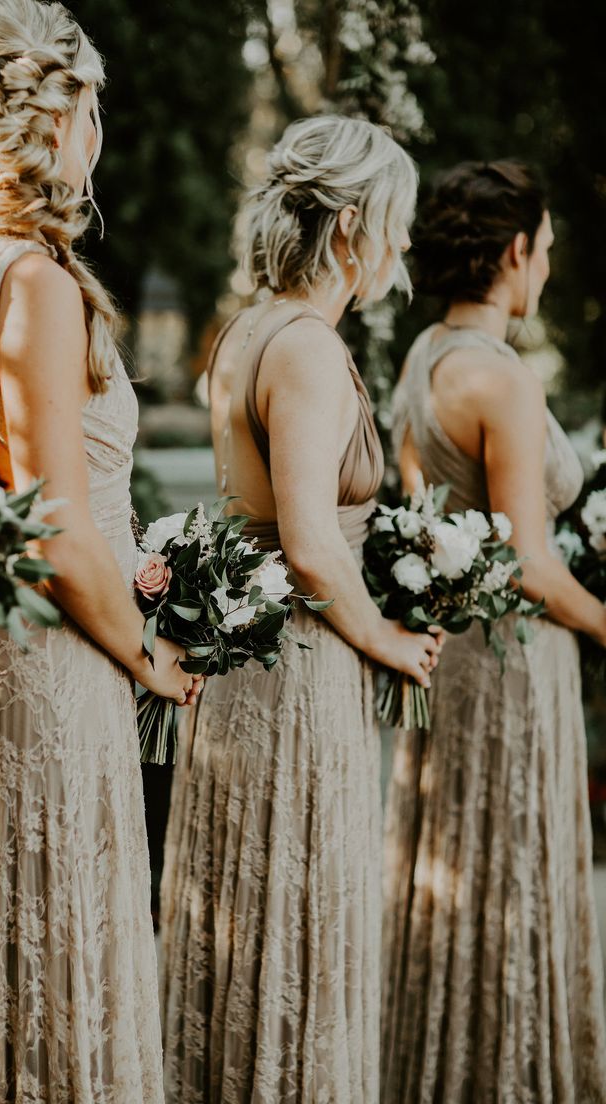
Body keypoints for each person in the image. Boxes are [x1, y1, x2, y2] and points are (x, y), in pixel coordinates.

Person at [0, 2, 201, 1100]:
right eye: (89, 103)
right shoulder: (40, 287)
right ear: (52, 117)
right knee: (54, 949)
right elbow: (57, 525)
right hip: (56, 666)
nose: (97, 129)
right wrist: (148, 658)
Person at [159, 115, 442, 1104]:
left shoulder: (246, 331)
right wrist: (390, 642)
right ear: (355, 223)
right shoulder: (310, 350)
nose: (404, 249)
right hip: (300, 669)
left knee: (250, 926)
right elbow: (315, 543)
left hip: (245, 660)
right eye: (398, 225)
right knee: (299, 924)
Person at [382, 160, 606, 1103]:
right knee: (510, 875)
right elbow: (528, 562)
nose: (547, 268)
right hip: (514, 661)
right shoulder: (499, 379)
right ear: (513, 252)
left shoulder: (426, 356)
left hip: (449, 658)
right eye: (545, 250)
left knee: (460, 876)